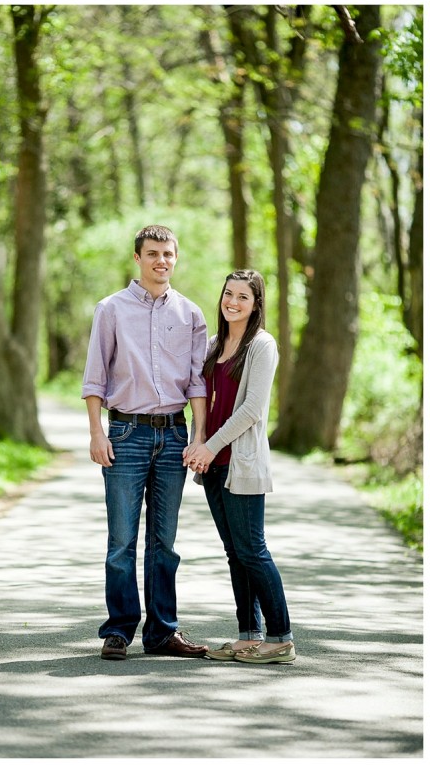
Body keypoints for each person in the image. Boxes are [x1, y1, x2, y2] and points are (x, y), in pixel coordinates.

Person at [81, 225, 210, 661]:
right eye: (153, 253)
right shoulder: (111, 309)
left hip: (174, 435)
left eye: (168, 254)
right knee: (121, 541)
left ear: (176, 257)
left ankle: (162, 633)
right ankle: (118, 629)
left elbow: (197, 383)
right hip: (125, 434)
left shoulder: (191, 314)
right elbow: (95, 376)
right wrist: (97, 432)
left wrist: (199, 437)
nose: (161, 261)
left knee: (165, 542)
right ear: (137, 257)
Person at [182, 270, 295, 664]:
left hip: (240, 462)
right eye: (228, 294)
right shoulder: (214, 345)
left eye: (242, 297)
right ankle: (250, 635)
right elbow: (202, 400)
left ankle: (280, 637)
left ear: (256, 303)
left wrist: (209, 447)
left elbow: (251, 409)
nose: (232, 302)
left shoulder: (262, 346)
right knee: (235, 552)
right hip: (213, 464)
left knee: (253, 550)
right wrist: (198, 443)